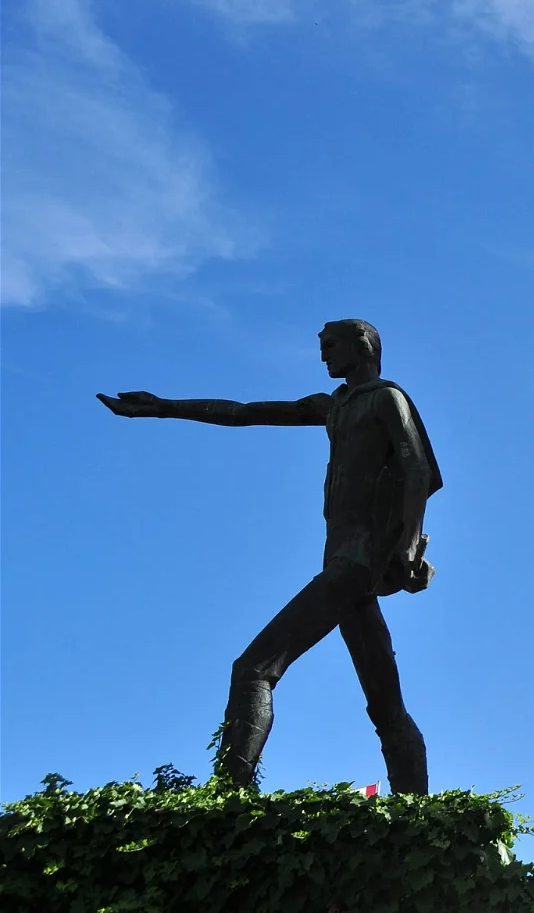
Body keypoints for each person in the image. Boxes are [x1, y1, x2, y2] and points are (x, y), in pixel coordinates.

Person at [97, 319, 442, 794]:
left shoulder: (386, 398)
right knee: (386, 706)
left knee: (253, 669)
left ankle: (229, 799)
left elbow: (418, 469)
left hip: (357, 562)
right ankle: (417, 814)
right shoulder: (335, 406)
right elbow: (244, 412)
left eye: (330, 346)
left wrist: (406, 548)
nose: (323, 357)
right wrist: (163, 407)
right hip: (344, 565)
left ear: (360, 347)